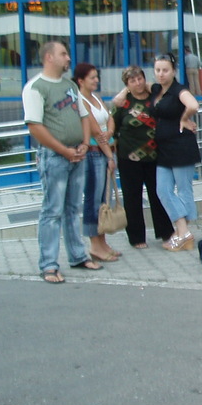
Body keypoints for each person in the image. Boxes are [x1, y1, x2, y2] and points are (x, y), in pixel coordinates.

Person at [22, 40, 102, 283]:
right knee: (52, 211)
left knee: (72, 209)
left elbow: (84, 116)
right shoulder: (35, 87)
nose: (68, 59)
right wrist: (64, 150)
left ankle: (78, 255)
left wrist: (85, 145)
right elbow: (35, 127)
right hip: (55, 157)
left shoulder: (69, 85)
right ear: (49, 57)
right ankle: (48, 264)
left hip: (77, 154)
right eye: (63, 54)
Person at [110, 66, 174, 248]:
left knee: (159, 194)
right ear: (127, 85)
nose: (137, 83)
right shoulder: (123, 103)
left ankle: (165, 232)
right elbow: (112, 124)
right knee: (132, 197)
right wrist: (112, 145)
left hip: (155, 155)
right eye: (132, 81)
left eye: (140, 79)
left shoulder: (155, 98)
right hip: (128, 157)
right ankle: (137, 237)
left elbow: (164, 91)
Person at [149, 52, 200, 251]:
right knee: (162, 189)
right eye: (158, 70)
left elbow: (193, 105)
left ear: (173, 71)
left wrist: (184, 118)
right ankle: (183, 232)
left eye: (165, 70)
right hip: (163, 147)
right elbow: (134, 87)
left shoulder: (179, 90)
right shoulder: (155, 89)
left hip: (181, 147)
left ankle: (183, 233)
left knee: (184, 189)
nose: (161, 74)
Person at [73, 62, 120, 263]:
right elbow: (94, 131)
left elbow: (109, 118)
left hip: (105, 148)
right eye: (92, 77)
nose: (96, 81)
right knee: (93, 198)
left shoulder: (96, 98)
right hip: (94, 154)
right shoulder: (81, 100)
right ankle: (94, 244)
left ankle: (102, 241)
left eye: (96, 77)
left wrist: (109, 131)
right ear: (80, 81)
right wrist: (109, 155)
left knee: (104, 199)